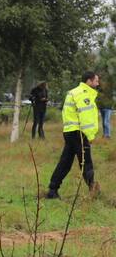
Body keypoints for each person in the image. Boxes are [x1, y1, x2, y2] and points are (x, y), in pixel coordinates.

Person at [46, 71, 101, 199]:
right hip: (79, 133)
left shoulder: (74, 92)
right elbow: (85, 117)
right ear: (89, 81)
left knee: (65, 162)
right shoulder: (83, 94)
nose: (98, 83)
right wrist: (90, 136)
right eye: (96, 81)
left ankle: (52, 189)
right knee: (86, 162)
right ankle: (92, 189)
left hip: (70, 131)